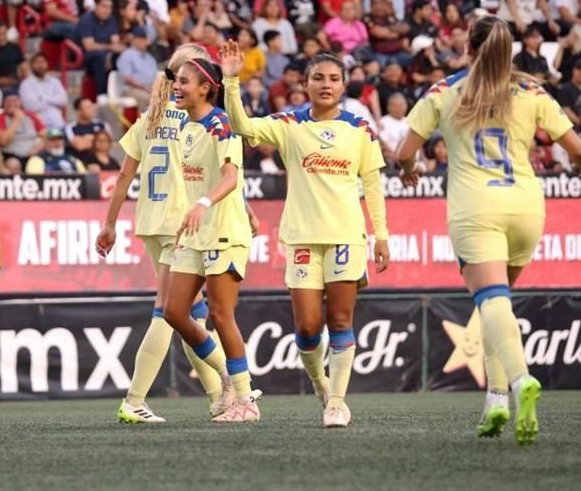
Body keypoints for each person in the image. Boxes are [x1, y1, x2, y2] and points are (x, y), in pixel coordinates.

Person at [397, 15, 581, 445]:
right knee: (496, 305)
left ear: (468, 46)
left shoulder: (445, 91)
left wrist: (409, 168)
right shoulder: (532, 90)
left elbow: (403, 151)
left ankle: (521, 378)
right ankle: (496, 398)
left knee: (492, 302)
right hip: (526, 209)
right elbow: (578, 149)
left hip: (476, 209)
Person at [221, 40, 390, 427]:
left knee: (341, 320)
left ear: (344, 85)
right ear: (305, 83)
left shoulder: (359, 128)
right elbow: (242, 126)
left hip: (346, 234)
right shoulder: (290, 124)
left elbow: (373, 183)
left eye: (333, 78)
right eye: (318, 78)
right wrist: (232, 81)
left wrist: (381, 234)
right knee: (307, 327)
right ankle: (320, 383)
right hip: (301, 237)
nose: (326, 84)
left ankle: (337, 402)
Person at [97, 43, 250, 423]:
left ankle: (219, 395)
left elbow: (123, 177)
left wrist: (110, 223)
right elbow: (219, 170)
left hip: (150, 220)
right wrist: (237, 206)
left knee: (188, 314)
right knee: (166, 313)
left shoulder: (150, 117)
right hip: (184, 222)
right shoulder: (193, 117)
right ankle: (136, 399)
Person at [161, 55, 259, 423]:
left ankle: (246, 400)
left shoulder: (221, 123)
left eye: (184, 81)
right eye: (175, 81)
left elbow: (231, 176)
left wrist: (203, 204)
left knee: (220, 314)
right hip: (195, 234)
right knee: (174, 310)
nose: (176, 86)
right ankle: (226, 376)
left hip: (223, 232)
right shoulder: (186, 126)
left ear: (206, 88)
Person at [77, 0, 124, 96]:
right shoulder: (87, 19)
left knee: (121, 55)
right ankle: (102, 94)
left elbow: (115, 42)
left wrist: (114, 50)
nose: (107, 10)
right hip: (87, 57)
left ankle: (121, 91)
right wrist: (109, 48)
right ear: (96, 6)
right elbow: (89, 46)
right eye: (104, 6)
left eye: (109, 7)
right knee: (99, 56)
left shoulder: (111, 20)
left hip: (105, 54)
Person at [0, 93, 45, 173]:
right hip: (10, 154)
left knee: (36, 164)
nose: (12, 104)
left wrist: (37, 148)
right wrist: (16, 120)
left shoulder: (31, 116)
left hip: (32, 154)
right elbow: (2, 141)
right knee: (13, 164)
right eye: (8, 101)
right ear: (3, 103)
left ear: (20, 102)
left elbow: (45, 136)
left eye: (15, 101)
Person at [19, 53, 68, 130]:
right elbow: (30, 106)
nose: (40, 65)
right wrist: (53, 101)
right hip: (36, 124)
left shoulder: (55, 81)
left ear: (47, 64)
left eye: (43, 62)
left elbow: (63, 100)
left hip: (57, 122)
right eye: (37, 63)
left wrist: (42, 98)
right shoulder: (26, 84)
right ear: (32, 65)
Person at [116, 26, 158, 109]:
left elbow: (155, 77)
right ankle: (145, 122)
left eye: (144, 39)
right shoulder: (127, 55)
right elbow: (127, 78)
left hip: (148, 88)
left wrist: (154, 89)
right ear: (134, 40)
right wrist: (145, 88)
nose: (143, 42)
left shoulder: (150, 58)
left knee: (165, 98)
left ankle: (162, 121)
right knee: (147, 98)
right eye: (140, 39)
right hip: (130, 89)